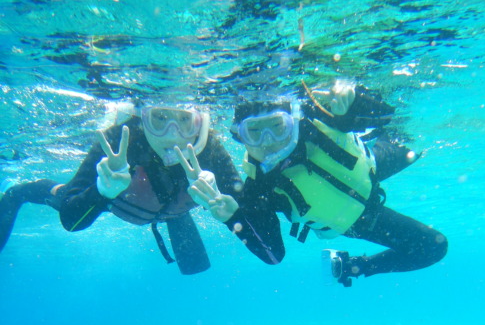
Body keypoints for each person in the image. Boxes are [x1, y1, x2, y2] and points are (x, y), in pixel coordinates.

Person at [196, 81, 447, 287]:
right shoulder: (258, 188)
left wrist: (355, 101)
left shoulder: (317, 120)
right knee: (434, 246)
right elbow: (274, 255)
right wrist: (232, 218)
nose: (269, 142)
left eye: (278, 127)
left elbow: (387, 113)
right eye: (255, 132)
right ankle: (352, 267)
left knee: (415, 143)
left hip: (371, 168)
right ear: (240, 137)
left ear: (292, 123)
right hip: (353, 223)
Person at [0, 104, 242, 274]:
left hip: (173, 209)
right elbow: (70, 221)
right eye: (159, 118)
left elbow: (245, 205)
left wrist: (222, 199)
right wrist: (101, 191)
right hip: (115, 201)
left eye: (184, 120)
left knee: (195, 266)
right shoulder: (119, 141)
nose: (172, 134)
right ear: (142, 118)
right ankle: (16, 192)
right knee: (62, 196)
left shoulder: (209, 149)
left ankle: (174, 214)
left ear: (199, 122)